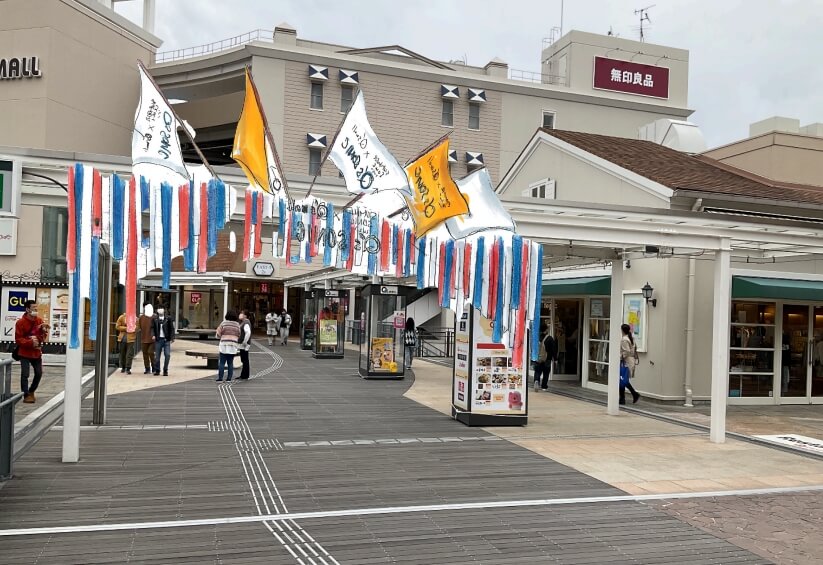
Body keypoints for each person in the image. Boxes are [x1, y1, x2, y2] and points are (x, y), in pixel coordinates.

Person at [15, 299, 49, 404]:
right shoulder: (20, 322)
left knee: (39, 373)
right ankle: (25, 394)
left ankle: (31, 391)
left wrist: (43, 332)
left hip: (36, 352)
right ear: (27, 309)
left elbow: (43, 336)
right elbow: (18, 339)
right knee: (25, 374)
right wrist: (30, 342)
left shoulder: (39, 321)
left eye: (36, 308)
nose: (36, 310)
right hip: (24, 352)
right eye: (34, 308)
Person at [215, 310, 241, 382]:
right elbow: (239, 334)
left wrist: (222, 337)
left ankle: (220, 378)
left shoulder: (223, 323)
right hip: (233, 345)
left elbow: (218, 332)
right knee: (230, 362)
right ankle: (229, 378)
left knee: (222, 362)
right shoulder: (237, 325)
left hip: (224, 344)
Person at [620, 323, 641, 404]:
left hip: (626, 361)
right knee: (622, 380)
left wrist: (621, 357)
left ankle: (633, 394)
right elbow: (634, 348)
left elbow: (626, 351)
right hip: (631, 361)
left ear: (622, 330)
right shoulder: (631, 338)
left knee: (622, 379)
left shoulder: (624, 339)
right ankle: (623, 398)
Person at [533, 322, 558, 392]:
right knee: (546, 373)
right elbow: (553, 350)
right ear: (546, 329)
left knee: (537, 371)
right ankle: (544, 386)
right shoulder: (550, 339)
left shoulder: (537, 338)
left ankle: (536, 381)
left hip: (538, 358)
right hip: (547, 359)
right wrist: (555, 359)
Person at [151, 306, 175, 376]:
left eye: (162, 309)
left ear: (164, 310)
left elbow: (172, 328)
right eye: (159, 309)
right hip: (158, 340)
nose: (160, 310)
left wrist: (172, 338)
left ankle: (165, 370)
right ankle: (157, 370)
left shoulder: (168, 318)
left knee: (167, 355)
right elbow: (152, 328)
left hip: (166, 340)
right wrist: (153, 335)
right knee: (157, 357)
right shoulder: (155, 319)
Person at [139, 302, 155, 374]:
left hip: (152, 339)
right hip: (143, 338)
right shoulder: (141, 317)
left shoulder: (154, 317)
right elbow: (139, 327)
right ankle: (147, 368)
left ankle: (154, 367)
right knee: (145, 354)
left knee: (151, 352)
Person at [238, 310, 252, 380]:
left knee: (245, 359)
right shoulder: (243, 322)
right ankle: (244, 374)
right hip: (243, 344)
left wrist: (244, 342)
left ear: (245, 316)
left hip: (244, 344)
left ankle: (245, 375)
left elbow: (248, 332)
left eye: (242, 313)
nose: (240, 314)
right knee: (244, 359)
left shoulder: (246, 322)